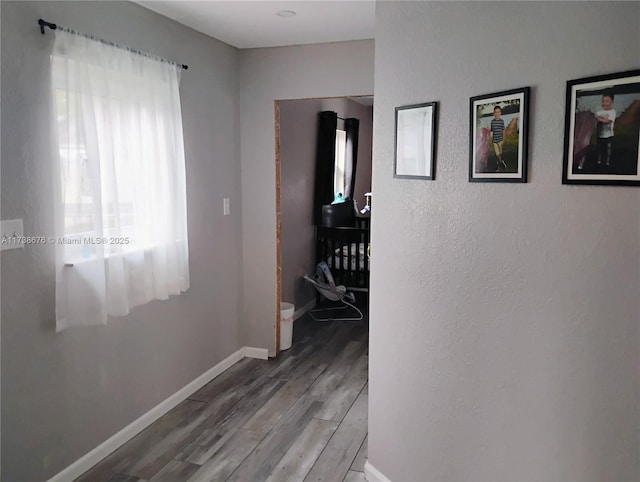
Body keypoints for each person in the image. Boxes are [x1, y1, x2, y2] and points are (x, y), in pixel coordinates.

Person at [594, 93, 616, 166]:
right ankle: (599, 161)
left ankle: (607, 162)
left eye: (607, 101)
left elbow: (608, 121)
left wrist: (598, 118)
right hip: (599, 135)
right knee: (599, 149)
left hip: (608, 135)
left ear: (612, 102)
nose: (604, 103)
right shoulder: (599, 112)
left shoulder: (612, 112)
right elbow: (594, 122)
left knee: (608, 149)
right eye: (603, 101)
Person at [490, 106, 507, 171]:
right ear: (493, 113)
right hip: (495, 140)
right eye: (496, 112)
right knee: (497, 154)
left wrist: (503, 139)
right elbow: (491, 130)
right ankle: (501, 163)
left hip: (500, 140)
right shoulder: (492, 121)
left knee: (500, 153)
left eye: (498, 112)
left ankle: (499, 165)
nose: (497, 113)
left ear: (500, 113)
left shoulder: (501, 121)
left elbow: (503, 130)